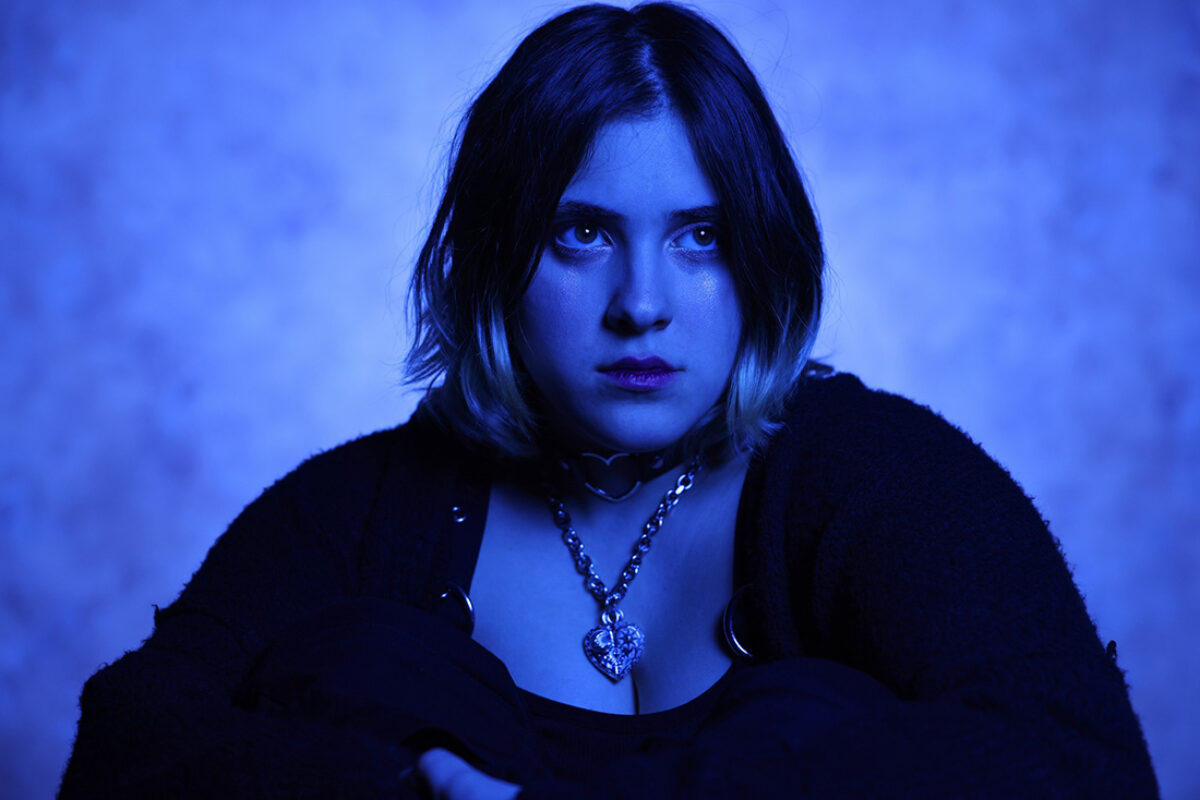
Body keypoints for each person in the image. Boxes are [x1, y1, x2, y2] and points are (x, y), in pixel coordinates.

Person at [61, 3, 1157, 797]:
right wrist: (399, 786)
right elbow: (123, 744)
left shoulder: (875, 476)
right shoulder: (366, 506)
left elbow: (1086, 766)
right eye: (582, 233)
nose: (642, 305)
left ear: (764, 258)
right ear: (497, 260)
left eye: (701, 236)